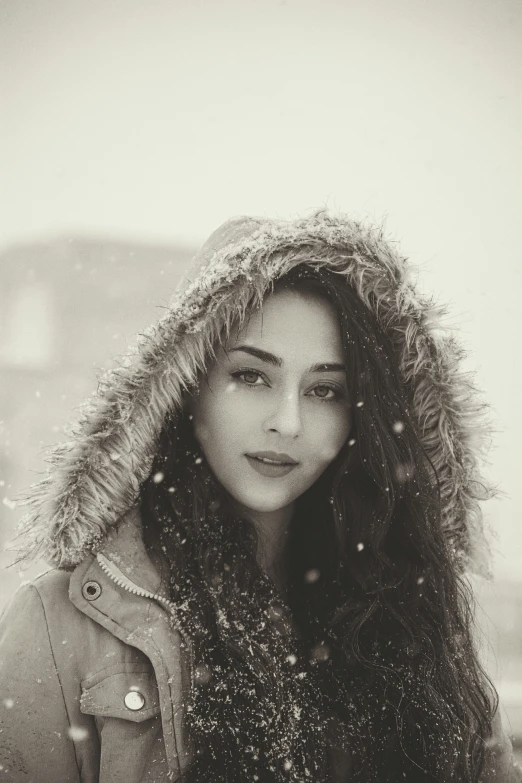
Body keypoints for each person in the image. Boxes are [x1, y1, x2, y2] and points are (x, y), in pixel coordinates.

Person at [0, 210, 520, 782]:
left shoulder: (417, 612)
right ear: (186, 385)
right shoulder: (64, 622)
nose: (288, 422)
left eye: (325, 389)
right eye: (251, 376)